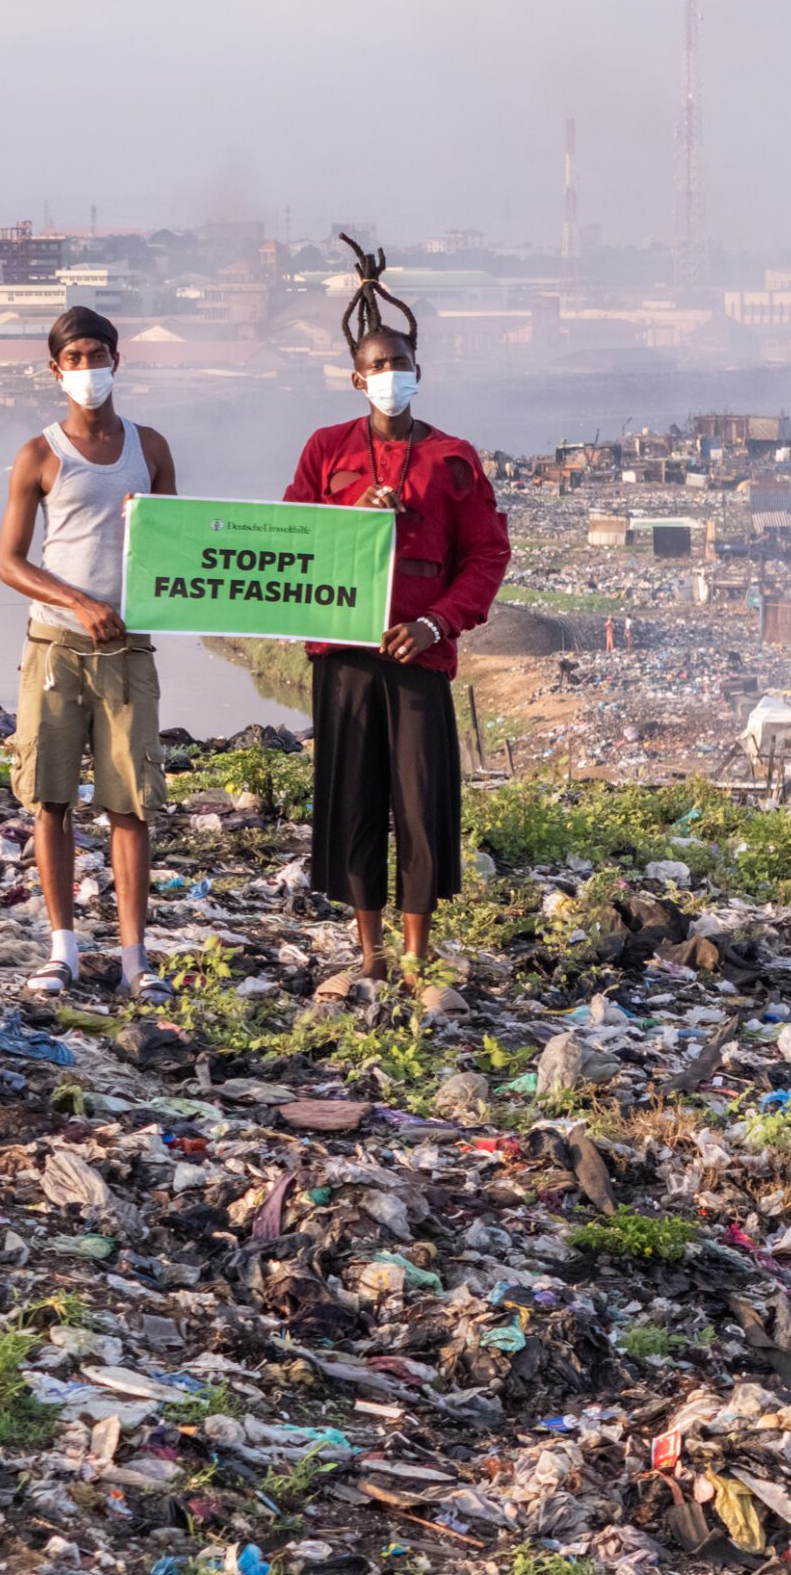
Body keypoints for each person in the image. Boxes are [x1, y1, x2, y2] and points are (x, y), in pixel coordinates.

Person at [282, 238, 510, 1008]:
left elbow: (485, 555)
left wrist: (439, 624)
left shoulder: (452, 459)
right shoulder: (326, 449)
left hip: (418, 656)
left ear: (419, 372)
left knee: (418, 800)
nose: (390, 377)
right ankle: (369, 951)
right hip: (344, 653)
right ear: (357, 378)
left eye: (400, 365)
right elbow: (289, 538)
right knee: (353, 795)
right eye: (376, 367)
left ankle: (417, 956)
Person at [0, 306, 180, 1004]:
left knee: (130, 802)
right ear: (55, 369)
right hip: (56, 645)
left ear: (117, 361)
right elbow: (10, 562)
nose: (87, 368)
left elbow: (174, 550)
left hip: (128, 649)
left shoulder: (150, 447)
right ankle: (62, 949)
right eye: (74, 357)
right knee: (51, 799)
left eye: (97, 354)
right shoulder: (39, 455)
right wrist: (79, 602)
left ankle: (136, 959)